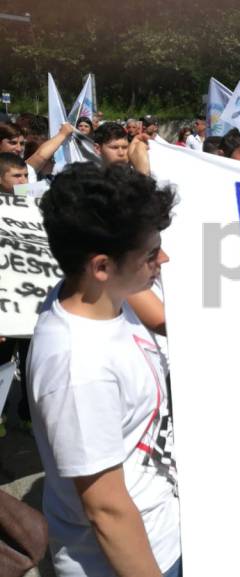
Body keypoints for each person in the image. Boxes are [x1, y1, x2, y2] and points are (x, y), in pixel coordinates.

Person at [28, 162, 180, 577]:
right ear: (101, 266)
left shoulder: (110, 297)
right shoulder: (78, 368)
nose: (163, 259)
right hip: (129, 562)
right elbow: (107, 510)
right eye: (151, 254)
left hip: (165, 531)